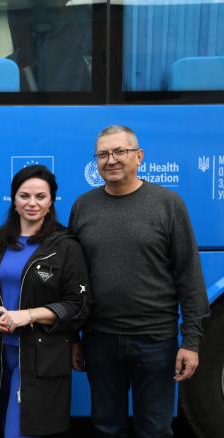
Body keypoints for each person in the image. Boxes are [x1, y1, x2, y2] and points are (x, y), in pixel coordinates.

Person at [69, 125, 210, 437]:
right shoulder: (82, 206)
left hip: (155, 341)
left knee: (155, 430)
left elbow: (189, 276)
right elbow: (73, 280)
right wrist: (73, 337)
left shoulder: (168, 204)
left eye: (120, 151)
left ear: (139, 156)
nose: (111, 160)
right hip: (99, 340)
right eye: (103, 154)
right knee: (106, 429)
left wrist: (191, 342)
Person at [0, 165, 90, 437]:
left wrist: (28, 315)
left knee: (20, 430)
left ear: (51, 201)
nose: (32, 203)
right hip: (0, 353)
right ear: (13, 200)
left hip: (41, 354)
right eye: (24, 195)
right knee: (6, 423)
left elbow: (78, 304)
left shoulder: (65, 246)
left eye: (40, 196)